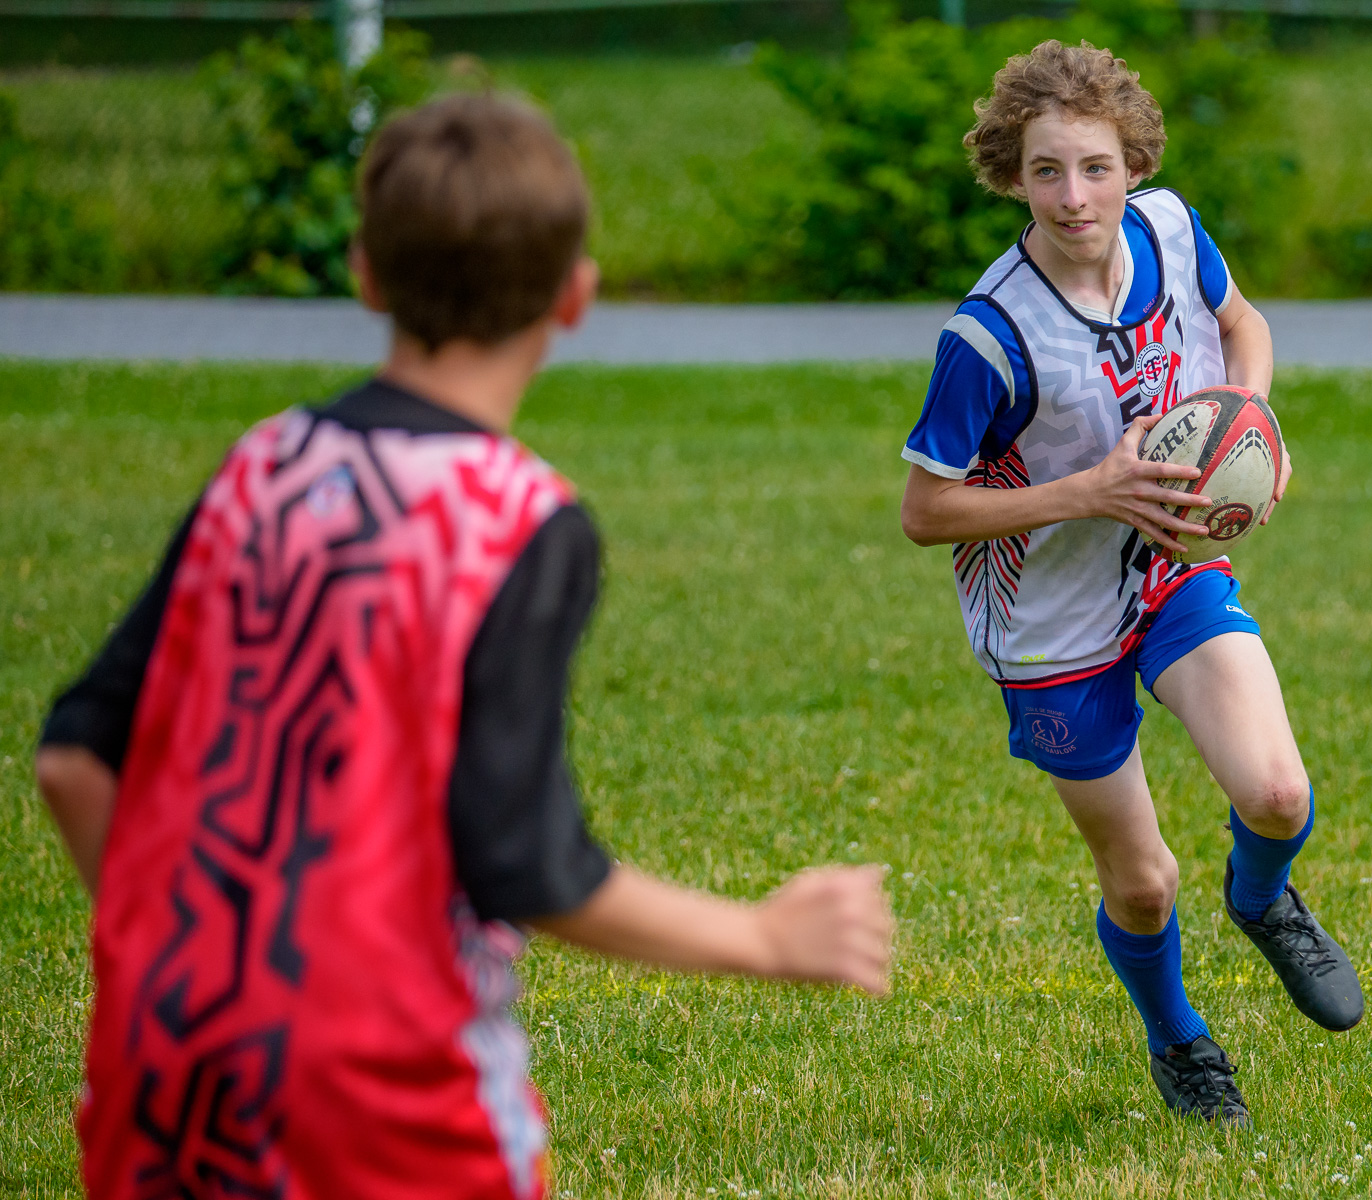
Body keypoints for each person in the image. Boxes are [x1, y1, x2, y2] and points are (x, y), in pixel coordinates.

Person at [34, 93, 893, 1199]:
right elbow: (522, 857)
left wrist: (181, 965)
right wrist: (766, 938)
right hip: (387, 1090)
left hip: (168, 1066)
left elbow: (73, 760)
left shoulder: (263, 466)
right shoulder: (518, 520)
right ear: (576, 295)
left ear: (365, 274)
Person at [899, 40, 1361, 1128]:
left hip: (1170, 565)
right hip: (1048, 625)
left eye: (1096, 167)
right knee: (1145, 884)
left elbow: (1244, 327)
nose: (1074, 196)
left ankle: (1262, 899)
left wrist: (1251, 421)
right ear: (1011, 176)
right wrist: (1091, 490)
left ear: (1135, 165)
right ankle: (1179, 1038)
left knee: (1278, 794)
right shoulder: (989, 336)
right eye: (1047, 171)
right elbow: (926, 512)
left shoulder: (1173, 231)